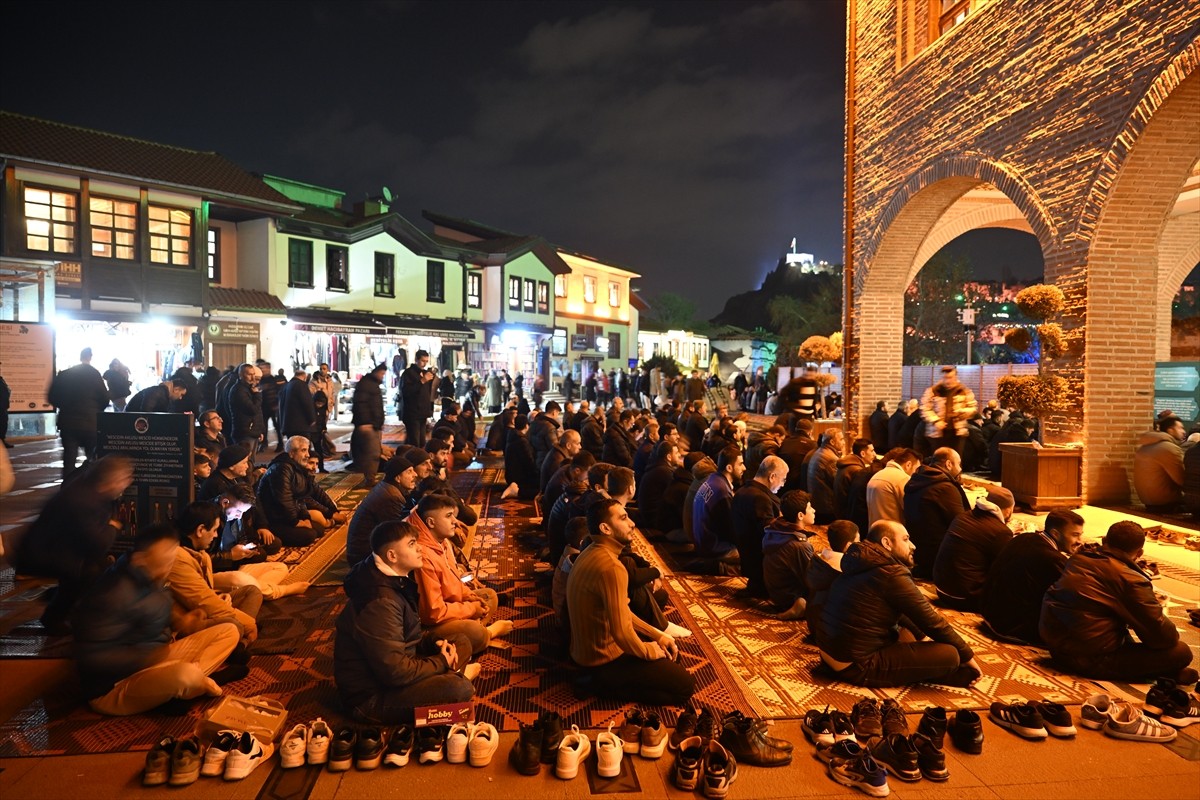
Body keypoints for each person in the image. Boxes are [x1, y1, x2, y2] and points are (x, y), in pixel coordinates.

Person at [71, 524, 241, 716]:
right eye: (166, 552)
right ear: (140, 558)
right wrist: (148, 657)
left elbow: (155, 612)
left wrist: (182, 621)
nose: (172, 558)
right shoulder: (113, 594)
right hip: (115, 685)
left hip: (157, 658)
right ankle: (189, 684)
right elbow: (91, 658)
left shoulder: (152, 575)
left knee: (229, 630)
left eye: (173, 550)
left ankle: (180, 690)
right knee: (185, 676)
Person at [334, 521, 478, 724]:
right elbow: (395, 673)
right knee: (459, 689)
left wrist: (434, 642)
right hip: (372, 698)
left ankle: (453, 674)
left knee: (460, 641)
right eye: (411, 544)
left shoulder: (392, 578)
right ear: (392, 556)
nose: (420, 548)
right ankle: (455, 676)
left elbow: (409, 634)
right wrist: (441, 662)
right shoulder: (380, 602)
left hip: (399, 666)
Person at [819, 520, 981, 688]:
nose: (913, 545)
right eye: (905, 539)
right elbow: (931, 620)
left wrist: (923, 638)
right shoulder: (891, 573)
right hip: (856, 665)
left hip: (829, 653)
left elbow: (908, 611)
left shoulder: (861, 560)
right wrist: (967, 656)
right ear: (887, 543)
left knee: (906, 633)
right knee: (951, 655)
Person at [566, 498, 696, 704]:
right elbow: (621, 632)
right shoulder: (612, 567)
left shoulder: (591, 550)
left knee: (671, 654)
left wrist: (657, 635)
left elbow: (621, 612)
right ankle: (598, 685)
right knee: (685, 688)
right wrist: (647, 651)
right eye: (624, 518)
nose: (632, 523)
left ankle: (598, 679)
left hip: (583, 652)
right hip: (602, 660)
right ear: (605, 528)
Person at [1041, 520, 1195, 684]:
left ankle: (1162, 673)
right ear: (1140, 553)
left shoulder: (1078, 559)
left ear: (1104, 541)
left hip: (1055, 647)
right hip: (1088, 659)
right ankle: (1166, 674)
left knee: (1120, 623)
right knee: (1181, 651)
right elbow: (1162, 638)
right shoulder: (1131, 580)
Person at [16, 455, 135, 634]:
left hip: (60, 548)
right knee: (88, 573)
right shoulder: (84, 501)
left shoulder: (91, 488)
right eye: (124, 479)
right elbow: (97, 543)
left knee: (100, 570)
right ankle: (58, 618)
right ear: (110, 481)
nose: (128, 483)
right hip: (44, 554)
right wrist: (112, 526)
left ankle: (60, 602)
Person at [411, 495, 512, 658]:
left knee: (489, 596)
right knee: (475, 631)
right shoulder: (423, 555)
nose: (455, 521)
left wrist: (471, 597)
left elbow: (454, 581)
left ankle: (469, 637)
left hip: (449, 605)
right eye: (448, 516)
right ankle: (487, 634)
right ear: (431, 522)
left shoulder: (440, 540)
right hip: (428, 625)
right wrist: (471, 609)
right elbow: (432, 614)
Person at [980, 508, 1084, 645]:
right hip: (1011, 628)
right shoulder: (1052, 559)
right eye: (1075, 535)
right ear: (1055, 534)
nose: (1080, 541)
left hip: (988, 614)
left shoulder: (1024, 538)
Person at [169, 502, 262, 646]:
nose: (215, 535)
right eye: (214, 530)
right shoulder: (177, 558)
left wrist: (218, 597)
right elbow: (203, 601)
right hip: (188, 620)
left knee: (252, 592)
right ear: (200, 530)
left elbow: (206, 593)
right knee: (232, 625)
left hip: (203, 610)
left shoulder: (200, 553)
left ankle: (240, 641)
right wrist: (249, 624)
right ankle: (240, 639)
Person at [931, 487, 1015, 611]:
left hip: (941, 589)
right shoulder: (1000, 532)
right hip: (966, 597)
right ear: (1008, 510)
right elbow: (1003, 567)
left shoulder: (963, 516)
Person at [256, 436, 347, 546]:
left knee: (318, 530)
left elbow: (312, 494)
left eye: (307, 450)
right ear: (291, 453)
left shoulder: (298, 468)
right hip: (274, 518)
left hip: (286, 515)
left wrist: (333, 512)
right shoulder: (282, 468)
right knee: (309, 535)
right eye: (303, 450)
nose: (307, 455)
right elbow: (284, 500)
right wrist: (296, 522)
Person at [902, 447, 969, 579]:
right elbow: (961, 523)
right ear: (949, 464)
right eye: (959, 463)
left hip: (920, 551)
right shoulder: (944, 487)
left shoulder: (917, 479)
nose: (961, 468)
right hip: (938, 556)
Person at [47, 347, 111, 478]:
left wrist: (65, 407)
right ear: (90, 357)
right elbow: (105, 398)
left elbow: (52, 396)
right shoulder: (94, 374)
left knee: (69, 459)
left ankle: (66, 489)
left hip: (68, 423)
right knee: (92, 459)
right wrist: (96, 410)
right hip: (91, 423)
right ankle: (92, 490)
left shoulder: (65, 374)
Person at [730, 455, 788, 598]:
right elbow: (769, 534)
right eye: (783, 479)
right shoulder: (759, 498)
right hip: (758, 561)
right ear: (772, 477)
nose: (783, 484)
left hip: (747, 555)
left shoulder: (743, 491)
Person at [346, 456, 418, 566]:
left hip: (362, 550)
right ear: (397, 477)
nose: (415, 475)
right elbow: (398, 533)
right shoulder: (390, 496)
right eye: (409, 472)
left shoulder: (387, 488)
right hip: (363, 557)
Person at [761, 490, 818, 619]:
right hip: (790, 596)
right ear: (800, 515)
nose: (814, 510)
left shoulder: (775, 529)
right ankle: (800, 605)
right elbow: (812, 578)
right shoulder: (799, 545)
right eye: (810, 508)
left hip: (776, 592)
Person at [805, 519, 860, 648]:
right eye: (858, 541)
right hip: (830, 633)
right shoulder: (844, 570)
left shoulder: (818, 561)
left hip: (814, 624)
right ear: (848, 546)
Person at [692, 445, 744, 563]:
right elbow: (731, 530)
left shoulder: (713, 480)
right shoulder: (722, 490)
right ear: (729, 468)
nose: (744, 468)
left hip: (703, 543)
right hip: (714, 548)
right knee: (754, 555)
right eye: (740, 464)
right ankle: (721, 567)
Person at [1133, 414, 1186, 512]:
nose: (1184, 431)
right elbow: (1182, 479)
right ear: (1170, 430)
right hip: (1165, 502)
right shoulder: (1169, 448)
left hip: (1148, 499)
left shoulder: (1144, 447)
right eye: (1180, 428)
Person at [919, 367, 977, 455]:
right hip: (937, 433)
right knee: (939, 459)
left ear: (956, 377)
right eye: (945, 378)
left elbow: (972, 407)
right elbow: (925, 408)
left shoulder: (963, 390)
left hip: (957, 432)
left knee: (956, 459)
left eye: (950, 378)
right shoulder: (934, 390)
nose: (947, 381)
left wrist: (962, 412)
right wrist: (936, 421)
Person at [352, 363, 387, 487]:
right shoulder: (367, 384)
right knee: (371, 454)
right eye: (382, 374)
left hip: (371, 424)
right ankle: (369, 479)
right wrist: (364, 422)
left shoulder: (369, 384)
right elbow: (361, 404)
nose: (383, 377)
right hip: (368, 425)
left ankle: (368, 478)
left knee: (369, 453)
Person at [807, 430, 845, 524]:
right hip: (826, 508)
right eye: (841, 439)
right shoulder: (830, 458)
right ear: (832, 442)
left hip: (818, 502)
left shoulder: (821, 451)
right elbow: (838, 483)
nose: (844, 442)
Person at [278, 368, 318, 455]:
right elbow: (307, 402)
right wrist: (312, 419)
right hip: (301, 426)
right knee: (303, 450)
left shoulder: (286, 386)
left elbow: (281, 406)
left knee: (292, 450)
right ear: (304, 377)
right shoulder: (301, 385)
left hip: (289, 426)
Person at [400, 350, 435, 447]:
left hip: (422, 413)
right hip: (412, 413)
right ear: (416, 360)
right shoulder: (408, 373)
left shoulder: (425, 373)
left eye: (426, 361)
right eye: (422, 361)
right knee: (414, 441)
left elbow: (427, 393)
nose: (424, 364)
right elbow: (406, 391)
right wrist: (422, 381)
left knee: (421, 441)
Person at [227, 363, 264, 452]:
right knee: (246, 460)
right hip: (245, 432)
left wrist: (259, 431)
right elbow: (253, 409)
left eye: (253, 374)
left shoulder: (249, 388)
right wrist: (257, 394)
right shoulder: (239, 390)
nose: (252, 377)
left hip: (251, 431)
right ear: (241, 375)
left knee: (251, 460)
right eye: (249, 374)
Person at [501, 414, 538, 500]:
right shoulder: (521, 441)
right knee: (541, 490)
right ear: (526, 426)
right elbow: (529, 462)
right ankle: (518, 491)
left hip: (512, 475)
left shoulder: (513, 435)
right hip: (518, 477)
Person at [529, 400, 562, 472]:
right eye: (558, 413)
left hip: (535, 458)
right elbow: (554, 447)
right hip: (546, 461)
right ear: (554, 412)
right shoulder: (550, 427)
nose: (557, 416)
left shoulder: (535, 423)